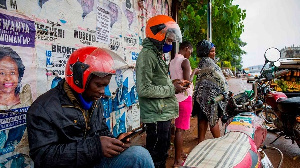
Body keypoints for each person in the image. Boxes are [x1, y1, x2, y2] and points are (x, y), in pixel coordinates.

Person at [26, 46, 154, 168]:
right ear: (79, 80)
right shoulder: (43, 109)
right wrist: (96, 147)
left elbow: (101, 132)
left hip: (93, 162)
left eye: (105, 86)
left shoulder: (94, 101)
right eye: (99, 85)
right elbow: (43, 157)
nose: (103, 91)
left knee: (138, 156)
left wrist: (115, 141)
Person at [136, 15, 186, 168]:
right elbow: (144, 89)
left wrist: (173, 83)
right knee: (157, 155)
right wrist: (172, 88)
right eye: (169, 40)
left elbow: (157, 82)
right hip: (156, 114)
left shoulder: (157, 54)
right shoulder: (147, 56)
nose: (170, 44)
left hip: (161, 112)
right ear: (157, 34)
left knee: (163, 150)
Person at [169, 41, 200, 167]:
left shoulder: (171, 61)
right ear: (186, 48)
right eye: (190, 52)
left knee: (178, 128)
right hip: (184, 97)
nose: (190, 55)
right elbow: (187, 82)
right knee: (180, 130)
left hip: (174, 97)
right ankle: (177, 161)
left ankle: (180, 153)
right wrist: (194, 73)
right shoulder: (184, 61)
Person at [193, 40, 228, 143]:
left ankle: (201, 142)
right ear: (205, 52)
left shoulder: (202, 62)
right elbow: (221, 80)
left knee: (202, 119)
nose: (214, 53)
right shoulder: (210, 63)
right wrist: (225, 92)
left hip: (200, 97)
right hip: (211, 97)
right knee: (213, 119)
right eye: (212, 51)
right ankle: (219, 142)